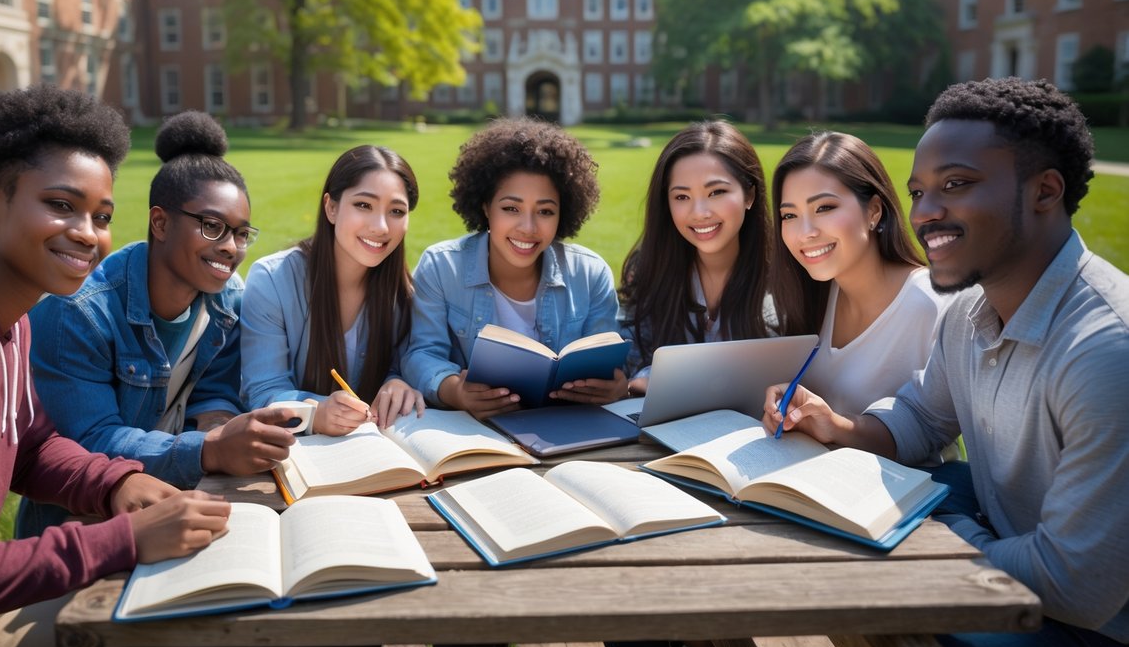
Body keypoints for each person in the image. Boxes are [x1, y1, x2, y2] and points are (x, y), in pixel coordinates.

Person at [764, 78, 1129, 647]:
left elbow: (1075, 585)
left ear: (1045, 191)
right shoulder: (969, 311)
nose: (927, 213)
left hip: (1085, 625)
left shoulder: (1105, 352)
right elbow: (924, 419)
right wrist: (838, 427)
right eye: (919, 192)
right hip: (1001, 540)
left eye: (956, 184)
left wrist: (936, 528)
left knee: (855, 584)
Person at [0, 85, 230, 647]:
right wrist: (122, 540)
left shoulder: (13, 319)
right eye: (61, 205)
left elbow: (32, 446)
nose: (88, 233)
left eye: (101, 215)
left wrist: (118, 484)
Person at [16, 111, 294, 538]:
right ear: (160, 222)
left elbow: (214, 389)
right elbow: (90, 440)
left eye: (241, 233)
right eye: (213, 227)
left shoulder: (228, 297)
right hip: (82, 531)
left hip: (182, 506)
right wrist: (211, 450)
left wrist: (219, 423)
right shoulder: (76, 311)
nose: (231, 248)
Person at [402, 117, 625, 419]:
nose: (528, 227)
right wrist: (456, 391)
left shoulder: (591, 274)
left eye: (545, 211)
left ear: (564, 213)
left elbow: (610, 364)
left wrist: (614, 386)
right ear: (485, 207)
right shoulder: (442, 267)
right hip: (477, 433)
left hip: (567, 429)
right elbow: (422, 354)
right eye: (511, 208)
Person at [241, 145, 424, 435]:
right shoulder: (272, 281)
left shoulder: (403, 292)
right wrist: (317, 412)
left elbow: (403, 364)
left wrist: (396, 383)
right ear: (332, 207)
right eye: (364, 205)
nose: (380, 227)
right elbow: (263, 392)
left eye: (397, 211)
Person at [771, 131, 952, 420]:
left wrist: (836, 427)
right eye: (789, 215)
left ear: (874, 211)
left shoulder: (932, 305)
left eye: (824, 208)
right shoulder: (811, 294)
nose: (805, 232)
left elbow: (932, 429)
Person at [618, 120, 771, 393]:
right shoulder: (650, 269)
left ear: (749, 195)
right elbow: (631, 361)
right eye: (681, 197)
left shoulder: (783, 280)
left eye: (716, 192)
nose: (699, 212)